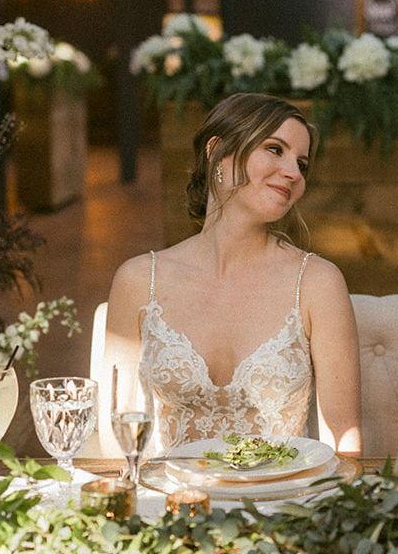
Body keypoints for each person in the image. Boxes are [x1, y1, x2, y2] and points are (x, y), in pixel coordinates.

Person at [105, 93, 362, 455]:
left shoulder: (317, 283)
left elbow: (344, 442)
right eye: (275, 149)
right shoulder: (138, 280)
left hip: (285, 490)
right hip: (173, 490)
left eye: (302, 164)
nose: (293, 173)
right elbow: (116, 438)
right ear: (217, 152)